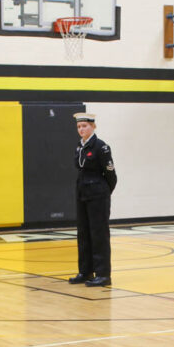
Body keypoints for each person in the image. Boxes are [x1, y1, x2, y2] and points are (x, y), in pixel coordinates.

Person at [67, 111, 117, 287]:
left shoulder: (101, 147)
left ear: (93, 126)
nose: (81, 129)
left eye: (85, 126)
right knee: (84, 233)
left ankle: (103, 274)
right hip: (82, 193)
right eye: (79, 126)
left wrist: (103, 193)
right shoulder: (79, 147)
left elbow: (111, 175)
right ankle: (86, 271)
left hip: (98, 194)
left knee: (99, 234)